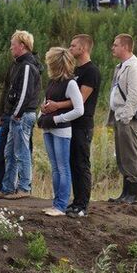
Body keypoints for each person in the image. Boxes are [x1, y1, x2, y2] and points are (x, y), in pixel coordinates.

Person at [41, 34, 101, 218]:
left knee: (80, 164)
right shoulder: (73, 72)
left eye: (73, 45)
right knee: (68, 163)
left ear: (83, 48)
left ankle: (82, 205)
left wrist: (56, 107)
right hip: (67, 123)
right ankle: (72, 202)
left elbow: (79, 102)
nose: (70, 48)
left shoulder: (91, 72)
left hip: (82, 124)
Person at [37, 47, 84, 217]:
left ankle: (61, 205)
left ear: (55, 63)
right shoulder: (52, 82)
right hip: (49, 127)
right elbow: (46, 101)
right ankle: (57, 203)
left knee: (62, 167)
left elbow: (79, 110)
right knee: (55, 167)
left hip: (61, 129)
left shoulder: (70, 83)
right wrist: (41, 113)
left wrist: (58, 119)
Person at [0, 30, 41, 200]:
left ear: (22, 45)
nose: (10, 48)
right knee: (10, 152)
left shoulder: (27, 66)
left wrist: (16, 114)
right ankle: (7, 188)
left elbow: (25, 93)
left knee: (21, 152)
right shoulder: (18, 64)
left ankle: (24, 187)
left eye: (13, 44)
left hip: (22, 115)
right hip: (16, 115)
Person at [107, 34, 137, 204]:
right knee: (123, 155)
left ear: (125, 47)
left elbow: (135, 95)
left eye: (115, 45)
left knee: (131, 155)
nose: (113, 47)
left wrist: (125, 117)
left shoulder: (135, 67)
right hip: (121, 116)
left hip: (129, 118)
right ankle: (125, 194)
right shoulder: (122, 66)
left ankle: (133, 196)